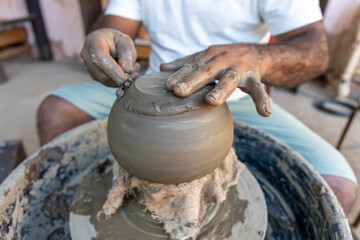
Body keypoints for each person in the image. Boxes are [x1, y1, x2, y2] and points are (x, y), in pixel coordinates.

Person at [37, 0, 357, 213]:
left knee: (336, 188)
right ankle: (82, 208)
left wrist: (258, 56)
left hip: (234, 97)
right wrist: (102, 38)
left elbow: (316, 52)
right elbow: (114, 25)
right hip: (149, 88)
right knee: (55, 111)